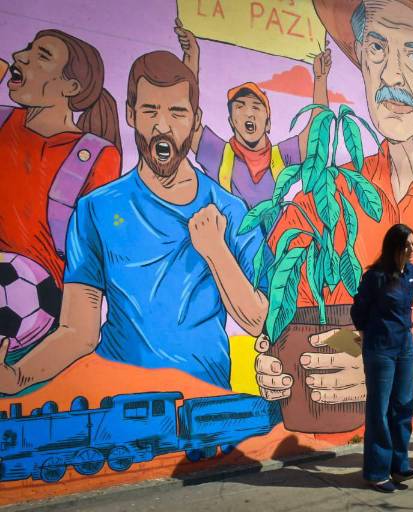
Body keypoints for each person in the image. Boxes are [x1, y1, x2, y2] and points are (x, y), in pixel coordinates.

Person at [0, 51, 290, 400]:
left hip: (204, 402)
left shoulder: (230, 210)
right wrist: (17, 376)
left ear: (195, 120)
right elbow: (79, 332)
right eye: (150, 111)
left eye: (177, 112)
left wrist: (215, 250)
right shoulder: (95, 209)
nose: (162, 126)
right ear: (130, 114)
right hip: (116, 401)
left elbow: (259, 320)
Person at [268, 0, 413, 416]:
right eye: (377, 48)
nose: (391, 76)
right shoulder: (333, 195)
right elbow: (290, 301)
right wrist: (280, 353)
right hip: (334, 434)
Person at [0, 29, 122, 322]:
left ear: (71, 86)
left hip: (39, 313)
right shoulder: (3, 121)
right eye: (27, 48)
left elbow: (96, 249)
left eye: (42, 56)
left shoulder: (94, 156)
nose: (19, 56)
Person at [174, 19, 332, 209]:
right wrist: (192, 59)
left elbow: (316, 133)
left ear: (268, 123)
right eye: (240, 107)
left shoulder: (281, 157)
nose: (248, 113)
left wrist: (320, 79)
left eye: (256, 107)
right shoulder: (220, 155)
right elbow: (187, 120)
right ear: (231, 121)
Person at [350, 224, 413, 493]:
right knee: (379, 410)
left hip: (405, 346)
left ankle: (398, 465)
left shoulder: (412, 273)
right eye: (407, 245)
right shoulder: (376, 277)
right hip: (381, 348)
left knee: (403, 405)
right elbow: (359, 311)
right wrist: (368, 334)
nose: (412, 249)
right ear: (395, 247)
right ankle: (377, 472)